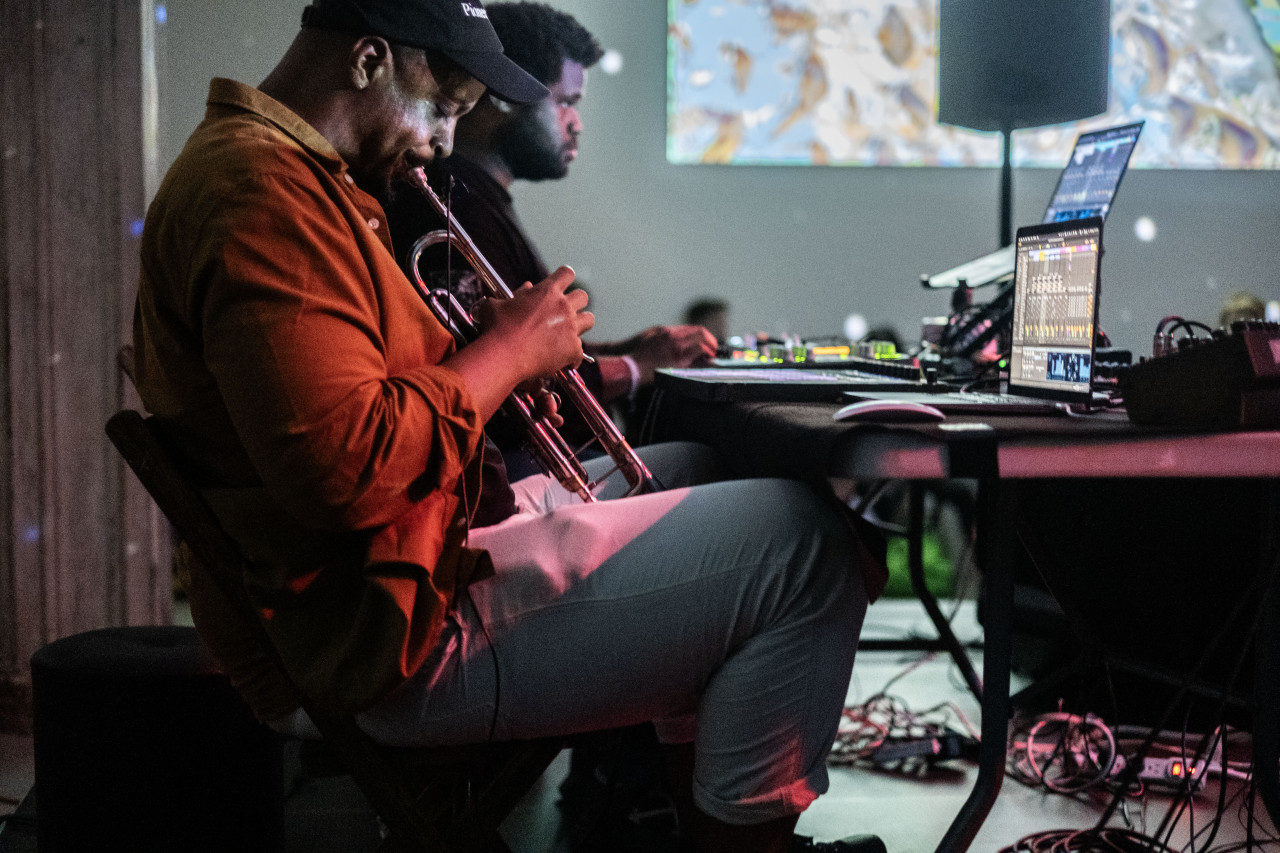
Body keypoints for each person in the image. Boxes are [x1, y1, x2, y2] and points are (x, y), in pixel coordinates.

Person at [131, 2, 885, 853]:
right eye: (444, 109)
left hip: (405, 570)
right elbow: (345, 470)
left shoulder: (293, 180)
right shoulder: (262, 194)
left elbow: (338, 412)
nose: (444, 143)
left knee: (700, 467)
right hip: (386, 638)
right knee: (805, 544)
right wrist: (503, 355)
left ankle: (701, 817)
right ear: (370, 61)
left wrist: (474, 354)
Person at [383, 1, 716, 464]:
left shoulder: (478, 198)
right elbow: (485, 372)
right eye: (565, 103)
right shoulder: (450, 203)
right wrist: (636, 369)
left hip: (530, 476)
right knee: (728, 474)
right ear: (505, 92)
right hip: (508, 489)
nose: (576, 123)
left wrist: (619, 349)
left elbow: (512, 342)